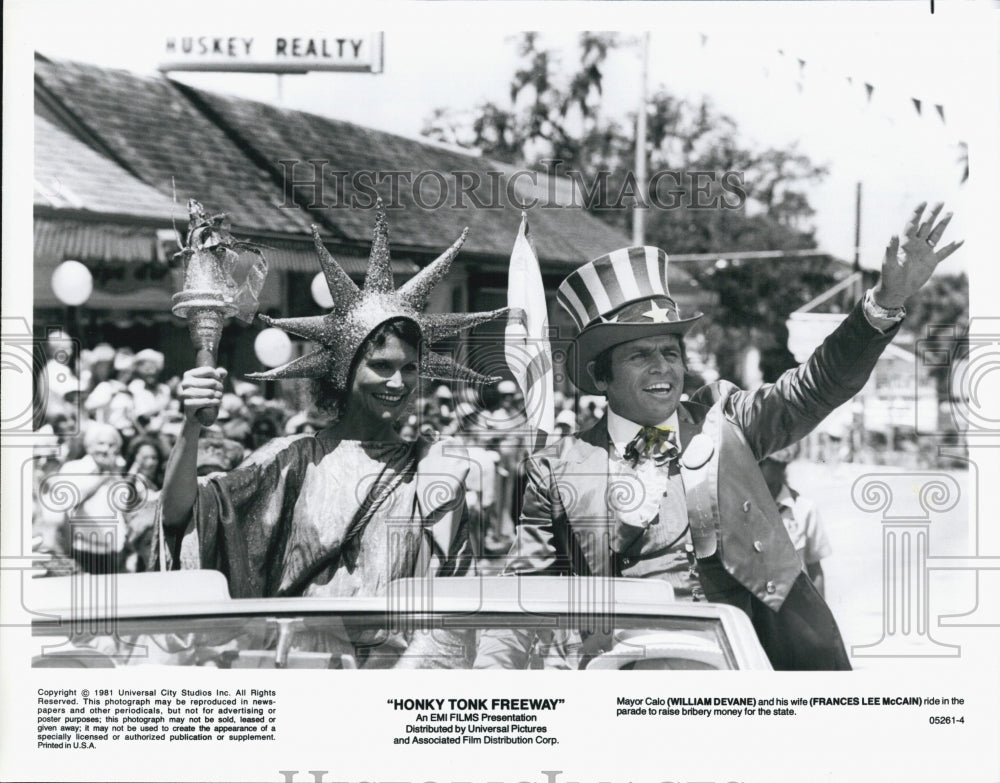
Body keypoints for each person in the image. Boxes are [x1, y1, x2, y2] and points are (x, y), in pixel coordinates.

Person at [484, 202, 961, 671]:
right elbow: (522, 599)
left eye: (670, 352)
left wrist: (883, 304)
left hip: (735, 679)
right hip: (618, 687)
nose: (663, 368)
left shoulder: (724, 419)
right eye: (639, 356)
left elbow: (813, 386)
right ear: (601, 375)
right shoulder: (559, 466)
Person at [157, 205, 506, 602]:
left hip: (402, 661)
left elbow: (454, 605)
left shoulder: (434, 471)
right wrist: (190, 424)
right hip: (305, 658)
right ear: (343, 370)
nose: (398, 382)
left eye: (409, 368)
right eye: (381, 366)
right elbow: (182, 516)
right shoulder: (293, 462)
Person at [759, 445, 830, 598]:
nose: (758, 469)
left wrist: (819, 617)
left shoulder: (803, 509)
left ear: (782, 465)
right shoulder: (742, 508)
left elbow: (814, 568)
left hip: (795, 606)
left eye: (765, 463)